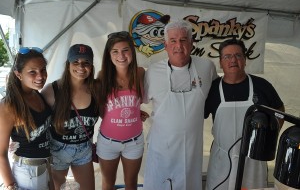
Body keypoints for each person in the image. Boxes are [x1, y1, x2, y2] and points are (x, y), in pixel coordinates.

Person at [143, 20, 218, 190]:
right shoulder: (153, 72)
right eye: (173, 41)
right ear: (165, 45)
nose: (178, 45)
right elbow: (135, 99)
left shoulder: (207, 67)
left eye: (184, 40)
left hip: (191, 150)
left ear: (191, 44)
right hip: (161, 148)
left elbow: (216, 98)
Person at [204, 38, 285, 190]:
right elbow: (197, 116)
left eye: (238, 55)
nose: (233, 60)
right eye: (227, 56)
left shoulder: (262, 85)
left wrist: (268, 136)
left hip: (253, 159)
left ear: (245, 59)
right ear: (220, 62)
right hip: (222, 158)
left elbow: (280, 110)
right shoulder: (212, 89)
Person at [41, 44, 99, 190]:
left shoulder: (96, 89)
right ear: (68, 64)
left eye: (86, 63)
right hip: (57, 150)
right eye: (76, 62)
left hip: (84, 150)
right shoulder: (52, 90)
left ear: (91, 66)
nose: (81, 67)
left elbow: (109, 113)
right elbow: (36, 119)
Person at [96, 31, 148, 190]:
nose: (121, 55)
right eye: (115, 51)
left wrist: (134, 112)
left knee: (131, 184)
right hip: (108, 142)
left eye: (125, 50)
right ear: (109, 55)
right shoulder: (102, 76)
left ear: (132, 51)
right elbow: (100, 110)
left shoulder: (140, 73)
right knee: (107, 184)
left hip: (134, 141)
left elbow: (135, 102)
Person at [0, 47, 53, 190]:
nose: (40, 76)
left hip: (46, 168)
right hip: (27, 174)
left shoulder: (38, 94)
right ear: (18, 74)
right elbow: (1, 153)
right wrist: (11, 185)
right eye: (32, 72)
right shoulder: (8, 106)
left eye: (43, 70)